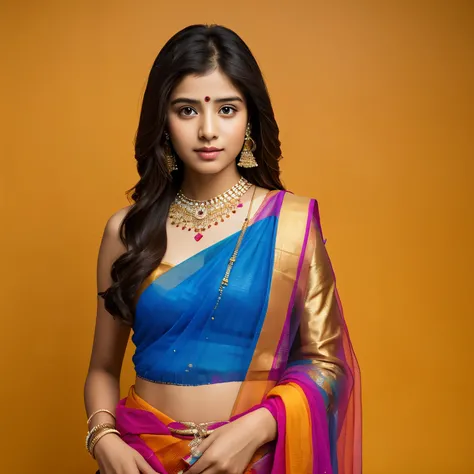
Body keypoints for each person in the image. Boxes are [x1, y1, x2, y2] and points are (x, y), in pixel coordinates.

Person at [84, 24, 361, 474]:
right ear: (164, 120)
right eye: (187, 110)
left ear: (249, 118)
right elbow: (101, 368)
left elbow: (327, 366)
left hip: (248, 461)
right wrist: (105, 440)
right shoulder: (127, 231)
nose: (208, 130)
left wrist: (256, 429)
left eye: (227, 109)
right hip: (139, 460)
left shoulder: (290, 226)